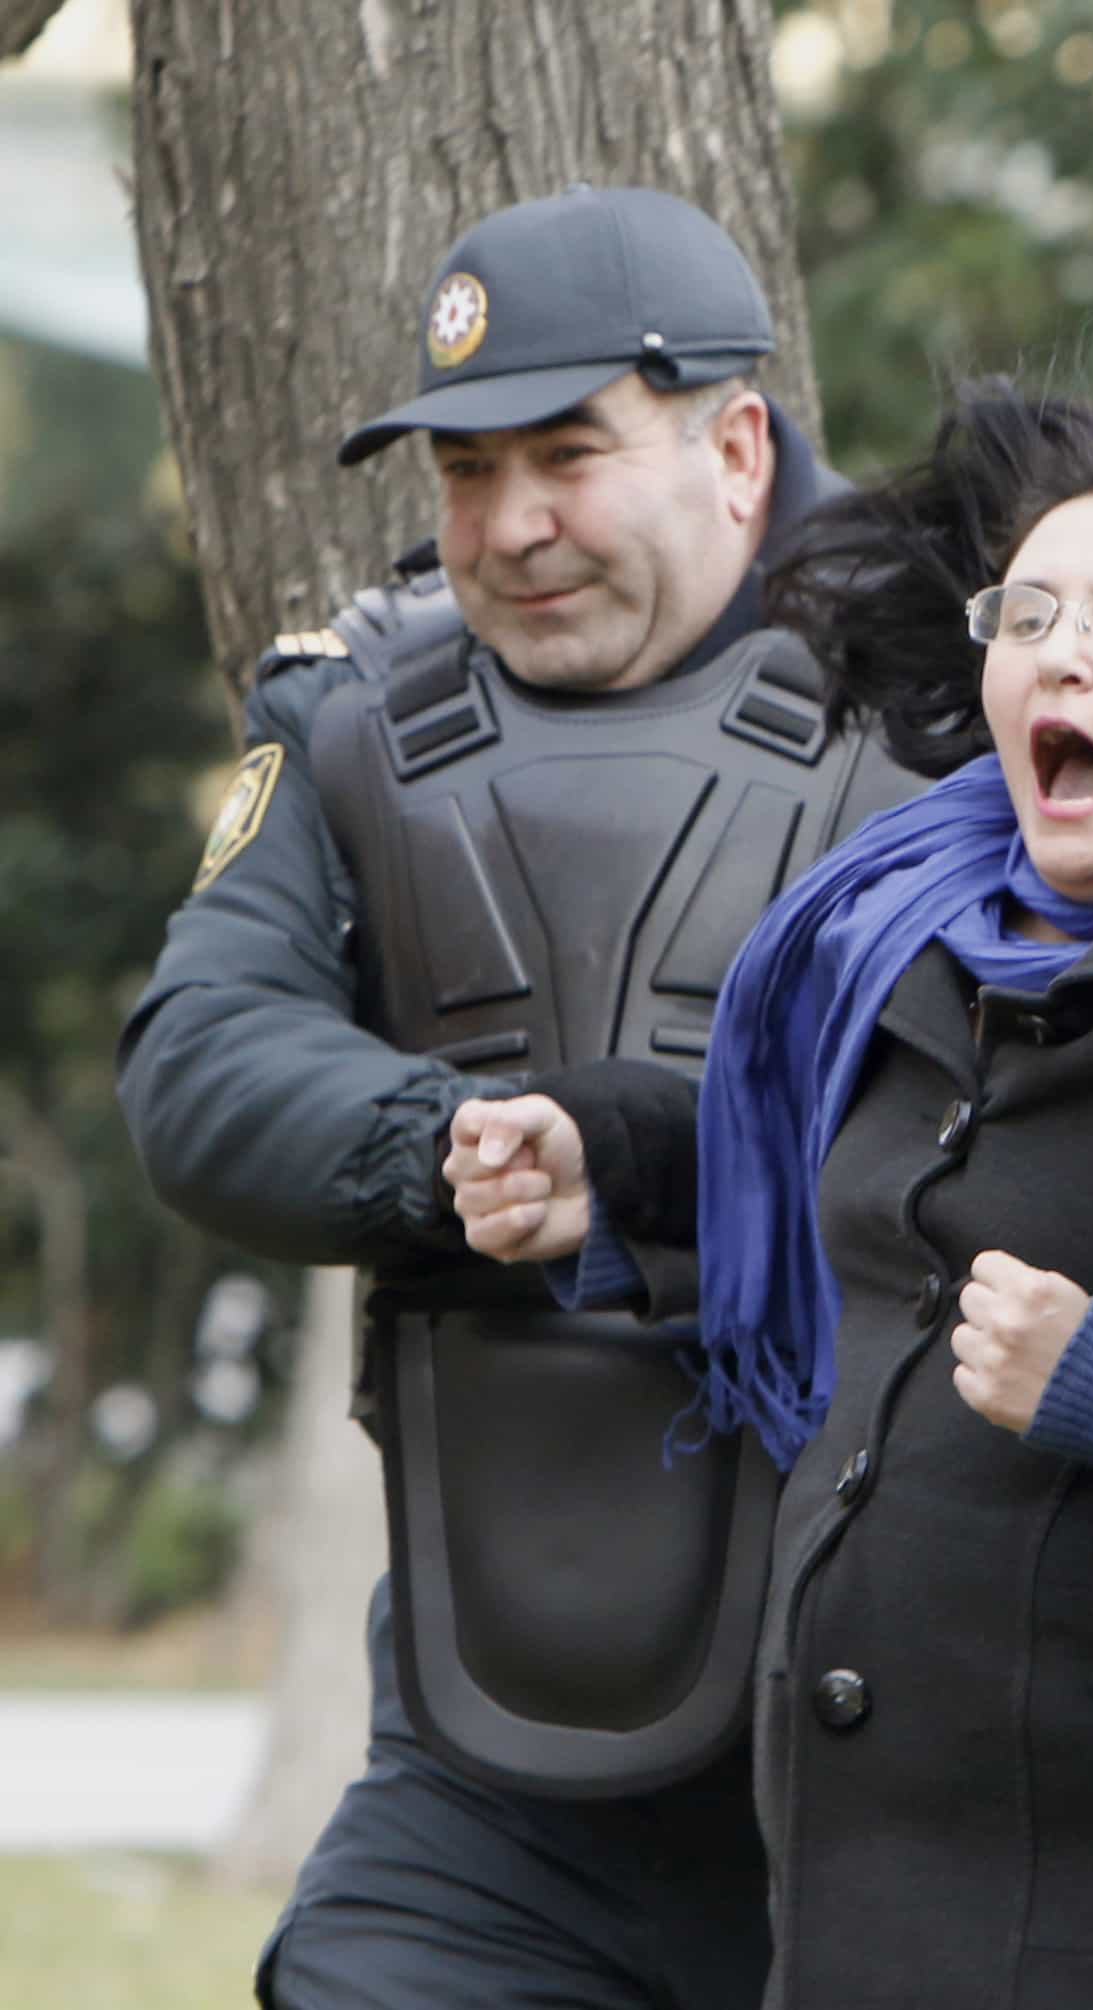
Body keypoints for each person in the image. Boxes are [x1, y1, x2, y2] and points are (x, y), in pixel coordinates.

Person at [444, 383, 1093, 2010]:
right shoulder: (922, 932)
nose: (1060, 651)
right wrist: (605, 1155)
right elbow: (850, 1195)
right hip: (859, 1912)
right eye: (1026, 611)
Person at [116, 185, 917, 2009]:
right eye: (465, 473)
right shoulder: (355, 722)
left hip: (889, 1767)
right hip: (487, 1776)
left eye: (566, 453)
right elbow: (198, 1062)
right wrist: (450, 1151)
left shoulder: (963, 692)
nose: (511, 525)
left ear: (734, 446)